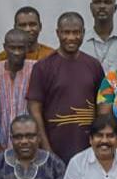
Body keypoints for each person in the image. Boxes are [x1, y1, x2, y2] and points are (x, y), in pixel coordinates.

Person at [28, 12, 106, 162]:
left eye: (76, 32)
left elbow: (103, 106)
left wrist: (100, 142)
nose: (71, 38)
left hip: (89, 151)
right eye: (66, 32)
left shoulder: (93, 65)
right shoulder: (43, 67)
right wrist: (47, 149)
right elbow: (34, 109)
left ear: (83, 33)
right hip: (54, 150)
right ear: (58, 33)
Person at [0, 29, 35, 149]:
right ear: (5, 47)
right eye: (12, 48)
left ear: (27, 48)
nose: (17, 52)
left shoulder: (37, 69)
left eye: (20, 48)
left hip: (28, 144)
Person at [83, 0, 117, 73]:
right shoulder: (81, 42)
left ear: (115, 8)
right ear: (91, 7)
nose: (102, 6)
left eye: (107, 2)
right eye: (97, 2)